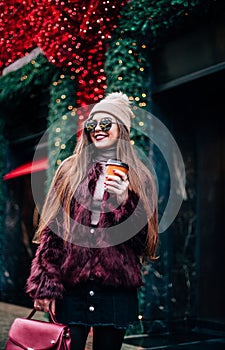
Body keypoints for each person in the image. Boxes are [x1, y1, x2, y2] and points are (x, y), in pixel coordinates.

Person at [26, 92, 158, 350]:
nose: (97, 129)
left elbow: (145, 242)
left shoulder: (139, 175)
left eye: (106, 123)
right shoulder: (69, 169)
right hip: (71, 286)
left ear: (121, 129)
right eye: (92, 124)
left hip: (115, 290)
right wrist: (45, 284)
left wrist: (125, 202)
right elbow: (53, 231)